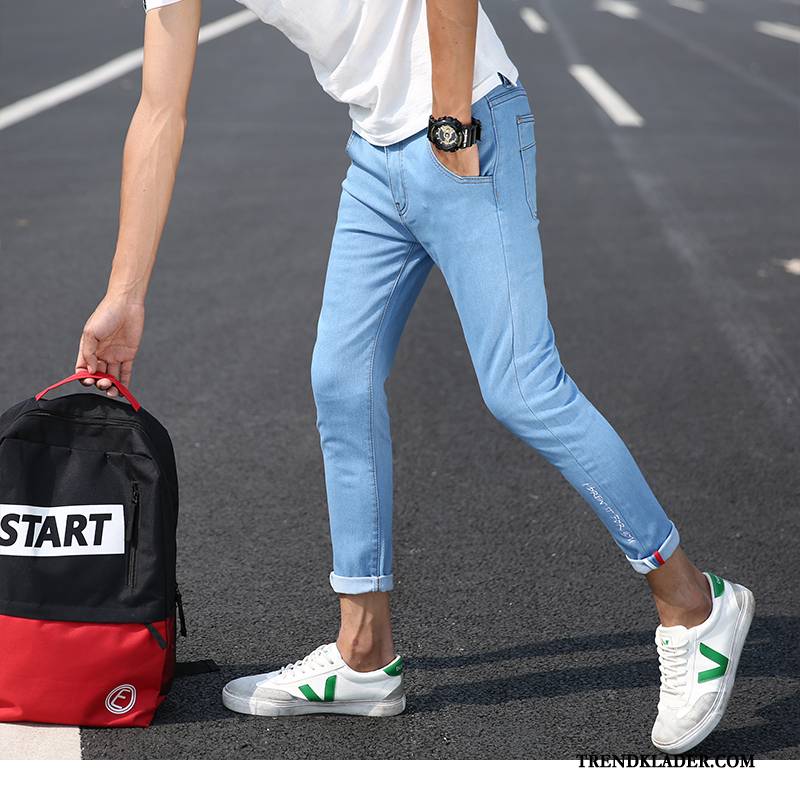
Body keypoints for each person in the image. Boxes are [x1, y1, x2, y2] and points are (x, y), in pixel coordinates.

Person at [75, 0, 754, 754]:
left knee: (522, 387)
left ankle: (694, 603)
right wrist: (125, 295)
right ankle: (364, 654)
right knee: (339, 380)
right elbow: (159, 110)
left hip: (467, 126)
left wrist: (453, 118)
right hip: (375, 158)